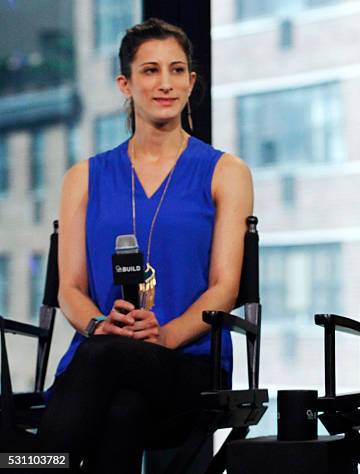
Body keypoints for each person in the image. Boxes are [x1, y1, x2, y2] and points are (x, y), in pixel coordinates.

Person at [36, 18, 253, 473]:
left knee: (110, 359)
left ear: (192, 83)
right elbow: (69, 288)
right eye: (151, 71)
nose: (165, 84)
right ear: (125, 83)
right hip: (103, 360)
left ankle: (31, 463)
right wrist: (99, 324)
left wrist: (161, 335)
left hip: (188, 363)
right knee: (122, 409)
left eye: (177, 71)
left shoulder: (226, 172)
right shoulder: (83, 177)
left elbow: (224, 288)